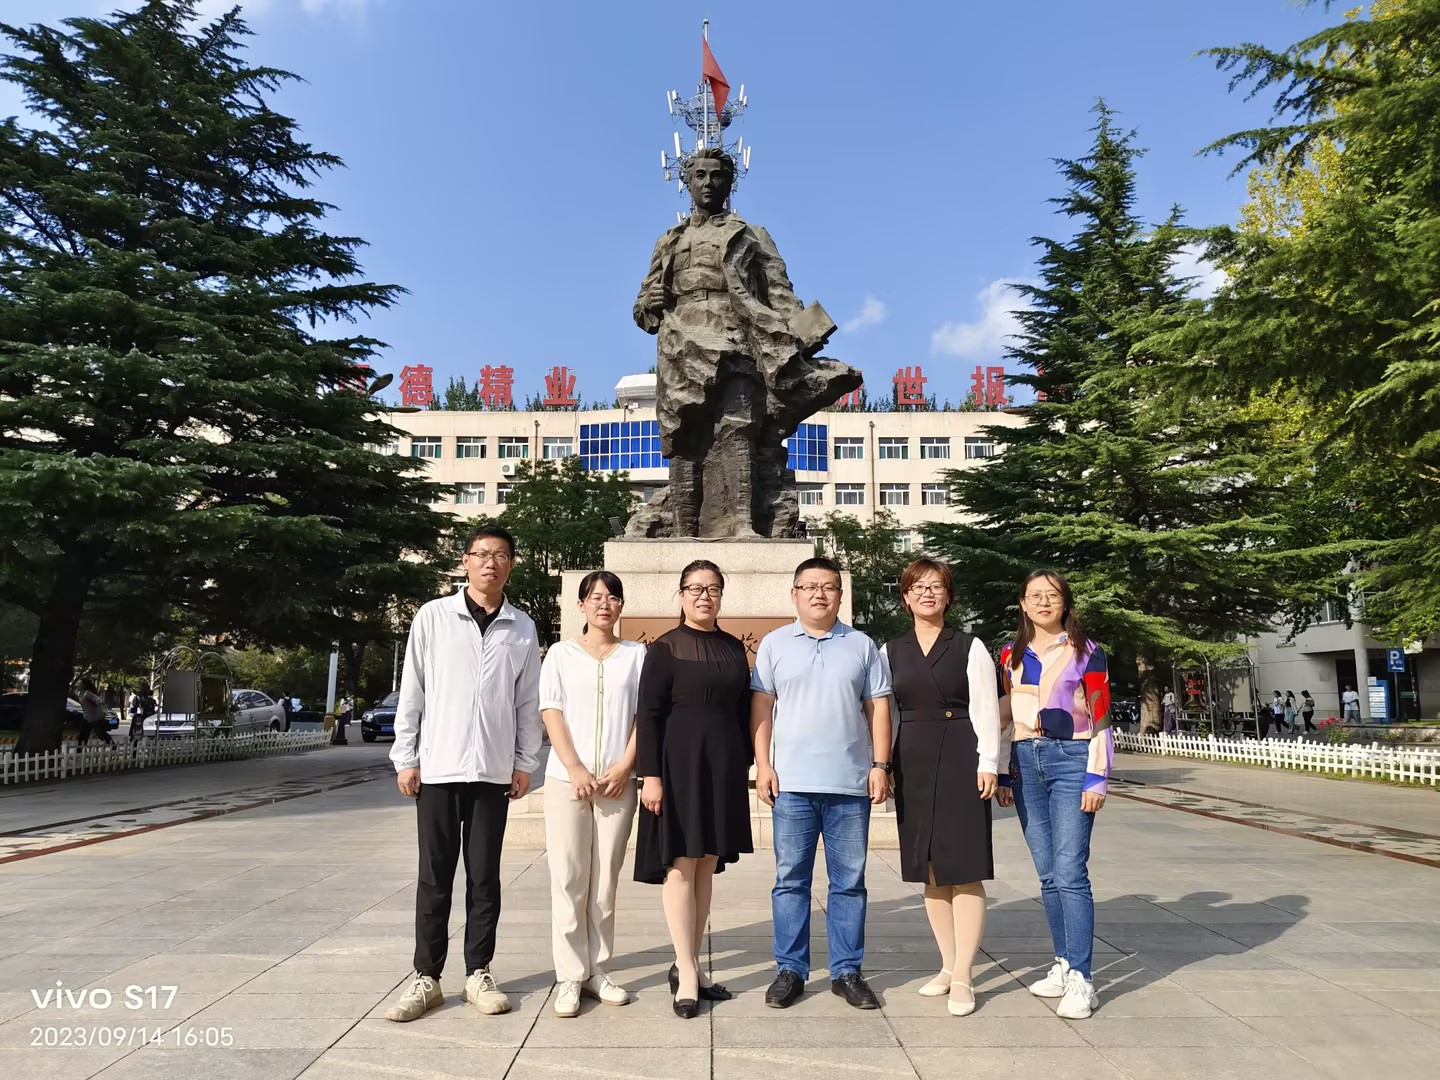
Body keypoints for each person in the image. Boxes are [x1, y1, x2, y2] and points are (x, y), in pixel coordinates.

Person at [384, 524, 542, 1023]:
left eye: (501, 555)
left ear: (511, 564)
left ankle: (478, 972)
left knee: (484, 878)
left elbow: (527, 702)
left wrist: (524, 762)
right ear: (465, 561)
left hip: (492, 772)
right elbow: (413, 689)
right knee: (434, 877)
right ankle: (426, 977)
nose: (491, 563)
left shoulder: (521, 626)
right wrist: (406, 757)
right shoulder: (434, 617)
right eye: (482, 554)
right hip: (439, 767)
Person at [752, 557, 892, 1012]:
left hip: (850, 785)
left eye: (828, 586)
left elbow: (879, 708)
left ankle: (847, 972)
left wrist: (881, 764)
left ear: (840, 594)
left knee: (849, 883)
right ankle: (790, 970)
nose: (819, 594)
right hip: (792, 784)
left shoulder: (862, 645)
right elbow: (761, 708)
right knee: (790, 881)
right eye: (810, 586)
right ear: (794, 594)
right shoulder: (774, 644)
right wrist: (763, 765)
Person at [884, 558, 1004, 1018]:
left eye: (936, 586)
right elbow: (886, 711)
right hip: (911, 757)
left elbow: (986, 708)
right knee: (930, 868)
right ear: (905, 597)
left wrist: (989, 762)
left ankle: (965, 975)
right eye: (918, 587)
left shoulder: (970, 646)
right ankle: (947, 965)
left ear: (948, 596)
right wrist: (884, 764)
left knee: (964, 866)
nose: (927, 594)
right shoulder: (889, 650)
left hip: (960, 753)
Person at [634, 559, 753, 1020]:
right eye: (696, 588)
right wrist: (651, 776)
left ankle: (693, 965)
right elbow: (649, 715)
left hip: (721, 767)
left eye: (713, 589)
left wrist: (746, 762)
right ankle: (685, 970)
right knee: (681, 865)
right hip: (678, 766)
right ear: (681, 595)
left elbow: (742, 709)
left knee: (706, 865)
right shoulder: (665, 648)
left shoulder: (732, 647)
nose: (705, 596)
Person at [1000, 570, 1112, 1021]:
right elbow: (1008, 716)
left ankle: (1083, 978)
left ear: (1065, 603)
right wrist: (1005, 773)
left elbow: (1101, 715)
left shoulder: (1087, 651)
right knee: (1047, 874)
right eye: (1035, 596)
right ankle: (1064, 963)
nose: (1044, 603)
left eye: (1052, 595)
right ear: (1023, 604)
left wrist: (1097, 777)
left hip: (1072, 759)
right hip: (1026, 762)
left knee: (1070, 871)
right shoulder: (1011, 654)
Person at [539, 571, 646, 1018]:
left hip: (617, 784)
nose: (605, 604)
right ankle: (570, 974)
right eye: (596, 597)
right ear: (581, 605)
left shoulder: (637, 655)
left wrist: (625, 766)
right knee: (568, 877)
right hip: (567, 781)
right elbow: (552, 711)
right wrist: (575, 767)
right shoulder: (561, 654)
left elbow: (645, 716)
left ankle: (598, 970)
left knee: (604, 883)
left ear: (621, 606)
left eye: (613, 597)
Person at [76, 679, 113, 746]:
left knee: (101, 734)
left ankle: (113, 746)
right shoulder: (79, 694)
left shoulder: (87, 694)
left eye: (79, 684)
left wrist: (98, 714)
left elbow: (99, 702)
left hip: (95, 718)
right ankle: (80, 750)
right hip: (87, 718)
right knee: (83, 735)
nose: (77, 685)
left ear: (84, 685)